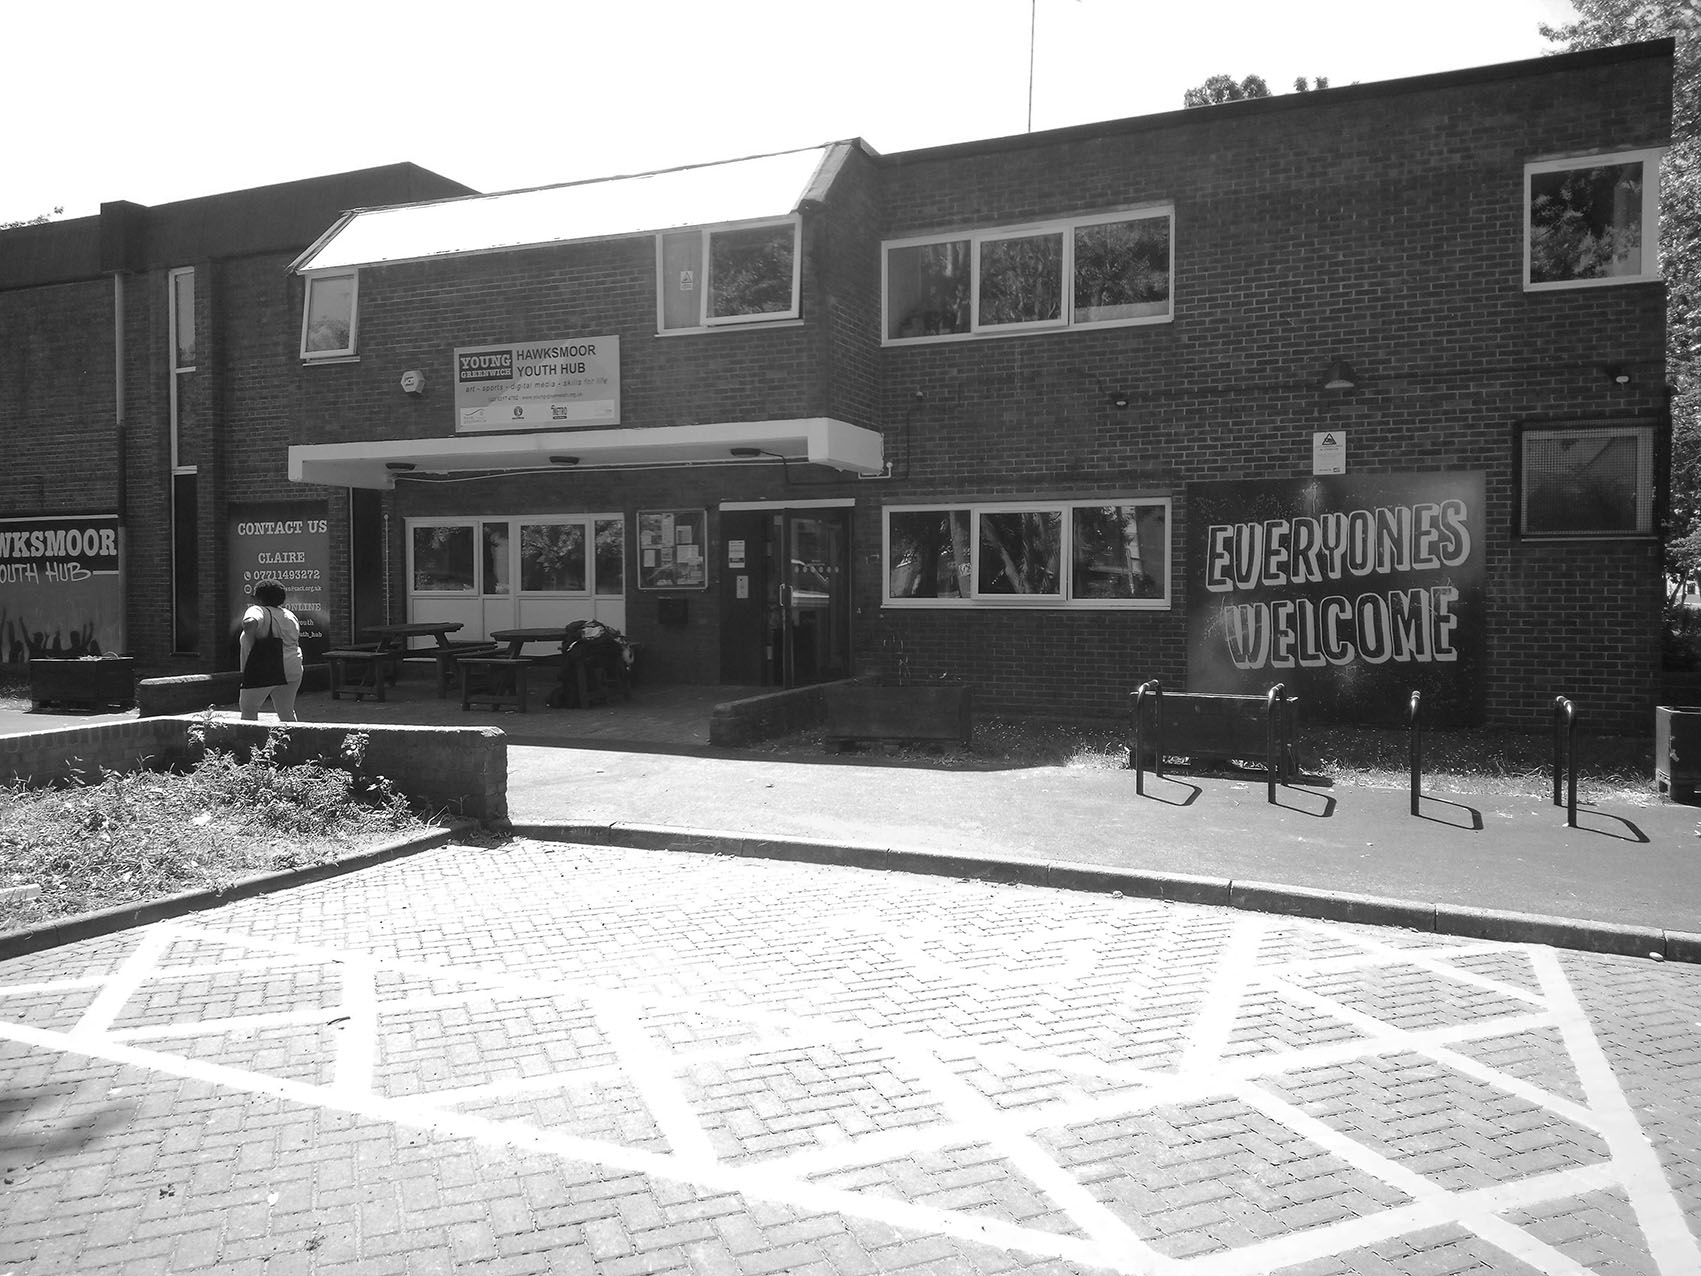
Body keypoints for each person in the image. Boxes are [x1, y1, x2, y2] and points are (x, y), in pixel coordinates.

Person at [238, 579, 304, 721]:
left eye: (254, 596)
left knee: (249, 710)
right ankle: (293, 741)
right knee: (286, 711)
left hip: (265, 668)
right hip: (293, 667)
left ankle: (250, 742)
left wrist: (252, 646)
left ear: (259, 598)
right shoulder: (290, 615)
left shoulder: (257, 609)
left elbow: (249, 623)